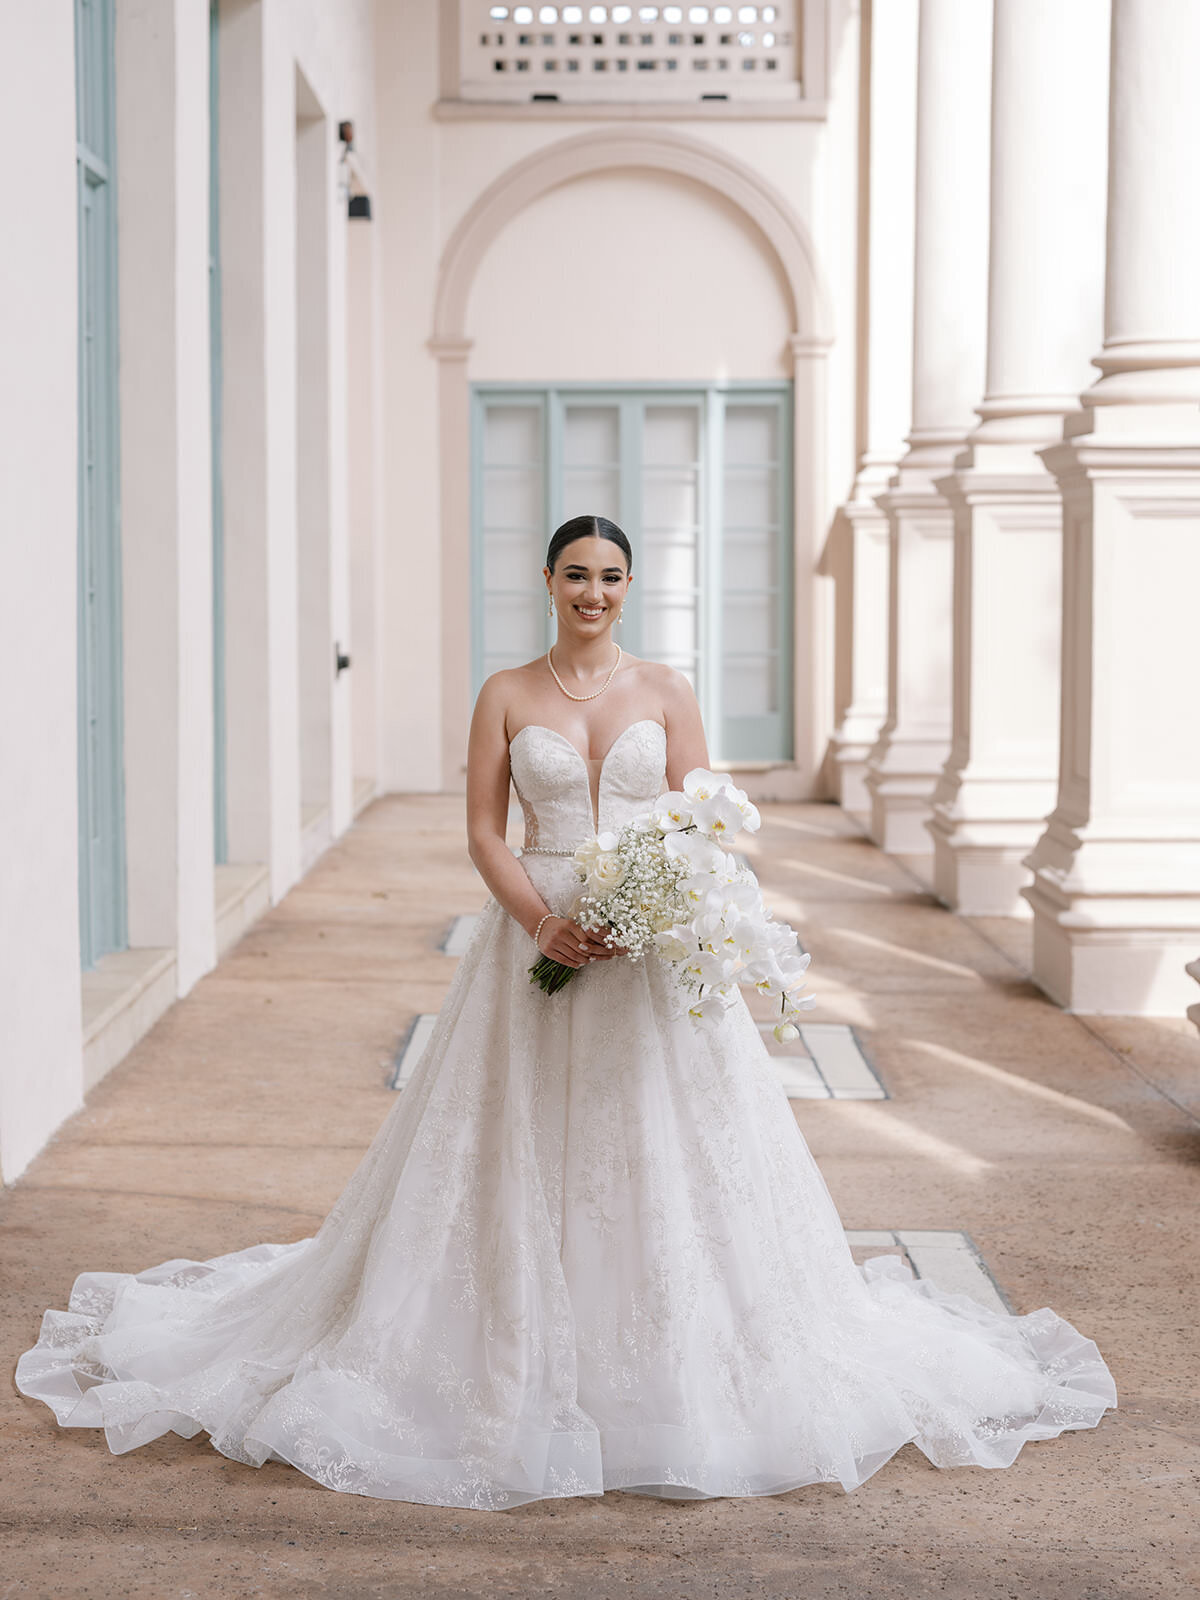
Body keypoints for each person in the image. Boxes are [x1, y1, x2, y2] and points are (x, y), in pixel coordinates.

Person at [14, 513, 1117, 1511]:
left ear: (630, 589)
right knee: (515, 1145)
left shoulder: (667, 690)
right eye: (578, 574)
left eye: (612, 577)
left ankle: (666, 1368)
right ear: (548, 580)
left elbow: (702, 819)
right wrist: (543, 921)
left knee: (662, 1148)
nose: (595, 592)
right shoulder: (506, 691)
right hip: (532, 943)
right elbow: (485, 833)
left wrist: (662, 907)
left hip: (646, 956)